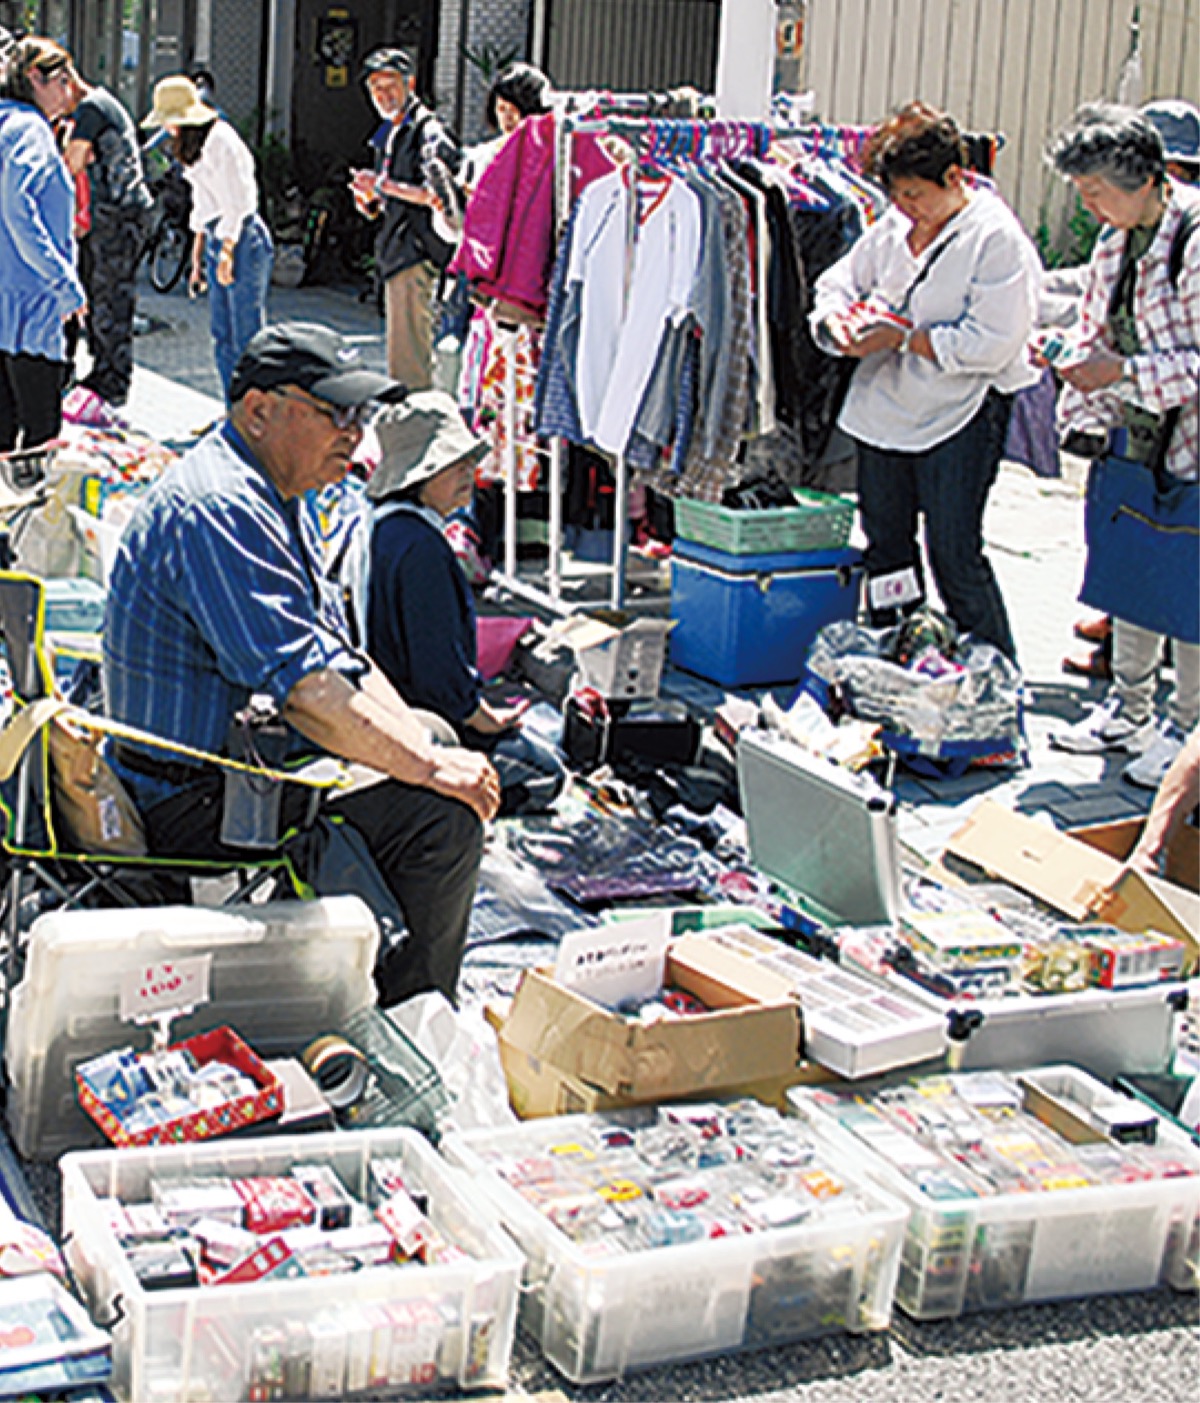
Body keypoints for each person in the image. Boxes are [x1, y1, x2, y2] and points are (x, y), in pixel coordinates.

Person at [103, 322, 501, 1006]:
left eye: (360, 416)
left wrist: (422, 743)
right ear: (259, 410)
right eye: (334, 412)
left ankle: (370, 971)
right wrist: (432, 768)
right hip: (193, 800)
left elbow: (341, 655)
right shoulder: (221, 505)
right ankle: (411, 1013)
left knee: (432, 733)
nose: (354, 433)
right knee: (443, 814)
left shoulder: (274, 493)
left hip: (238, 765)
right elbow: (307, 691)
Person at [811, 102, 1041, 661]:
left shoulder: (995, 238)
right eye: (897, 196)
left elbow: (995, 341)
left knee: (955, 554)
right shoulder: (893, 226)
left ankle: (992, 675)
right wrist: (838, 323)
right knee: (887, 548)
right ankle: (903, 654)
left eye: (916, 195)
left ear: (954, 178)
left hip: (960, 411)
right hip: (883, 410)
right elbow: (839, 281)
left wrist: (906, 339)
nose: (906, 208)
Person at [1047, 103, 1199, 790]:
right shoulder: (1118, 238)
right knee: (1132, 568)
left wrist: (1125, 372)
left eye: (1097, 191)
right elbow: (1101, 321)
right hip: (1137, 433)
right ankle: (1130, 709)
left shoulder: (1192, 235)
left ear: (1146, 178)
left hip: (1187, 436)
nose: (1090, 204)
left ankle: (1188, 729)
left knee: (1188, 586)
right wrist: (1074, 358)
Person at [360, 390, 566, 816]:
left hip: (396, 705)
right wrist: (479, 715)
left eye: (468, 463)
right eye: (454, 466)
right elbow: (436, 668)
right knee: (548, 772)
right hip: (421, 718)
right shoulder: (422, 549)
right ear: (420, 474)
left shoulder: (384, 528)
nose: (468, 474)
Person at [142, 75, 273, 395]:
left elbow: (240, 200)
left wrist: (227, 251)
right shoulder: (193, 144)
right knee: (221, 334)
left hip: (241, 236)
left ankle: (252, 414)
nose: (167, 128)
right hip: (218, 235)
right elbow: (202, 205)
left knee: (246, 336)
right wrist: (198, 259)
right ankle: (231, 409)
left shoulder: (221, 140)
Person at [349, 47, 462, 392]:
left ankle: (416, 427)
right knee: (403, 351)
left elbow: (437, 194)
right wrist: (370, 200)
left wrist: (382, 185)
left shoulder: (427, 131)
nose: (383, 95)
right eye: (375, 88)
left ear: (410, 83)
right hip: (397, 251)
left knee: (409, 358)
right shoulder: (391, 131)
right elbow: (393, 198)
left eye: (390, 85)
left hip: (416, 254)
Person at [0, 36, 86, 452]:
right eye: (63, 79)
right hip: (32, 306)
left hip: (8, 302)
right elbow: (18, 207)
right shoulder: (30, 130)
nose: (70, 91)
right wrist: (64, 283)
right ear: (35, 77)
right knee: (41, 440)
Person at [63, 69, 152, 409]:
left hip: (118, 216)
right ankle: (105, 372)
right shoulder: (99, 104)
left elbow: (72, 161)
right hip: (116, 216)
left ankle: (113, 380)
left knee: (111, 299)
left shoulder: (91, 108)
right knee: (104, 297)